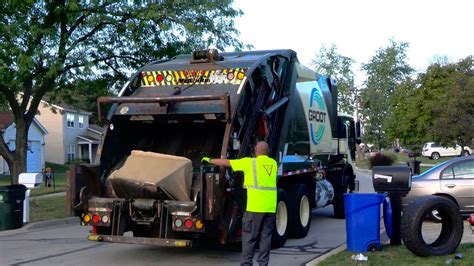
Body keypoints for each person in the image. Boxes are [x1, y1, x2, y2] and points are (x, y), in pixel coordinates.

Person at [202, 141, 277, 266]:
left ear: (255, 152)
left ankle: (246, 264)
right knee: (265, 239)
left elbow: (227, 163)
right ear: (267, 152)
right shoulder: (273, 164)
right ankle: (263, 264)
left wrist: (209, 160)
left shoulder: (249, 162)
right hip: (270, 208)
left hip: (255, 208)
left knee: (249, 239)